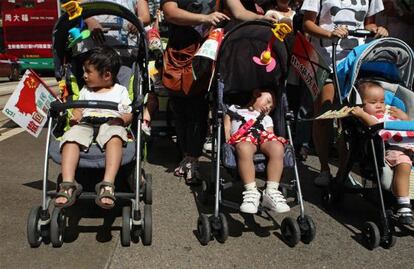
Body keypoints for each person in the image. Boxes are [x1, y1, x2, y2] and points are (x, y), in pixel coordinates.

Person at [301, 0, 388, 186]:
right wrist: (329, 33)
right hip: (326, 57)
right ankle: (324, 168)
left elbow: (368, 23)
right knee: (325, 114)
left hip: (357, 61)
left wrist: (377, 30)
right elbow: (307, 23)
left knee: (351, 117)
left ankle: (344, 169)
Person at [54, 46, 133, 210]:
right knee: (70, 138)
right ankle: (68, 184)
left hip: (111, 122)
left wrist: (122, 120)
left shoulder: (120, 91)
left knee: (115, 138)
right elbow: (78, 109)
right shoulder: (85, 90)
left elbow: (128, 113)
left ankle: (108, 184)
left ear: (106, 75)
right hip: (86, 122)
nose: (84, 75)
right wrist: (76, 114)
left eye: (88, 72)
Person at [351, 81, 413, 224]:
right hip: (392, 149)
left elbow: (409, 126)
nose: (379, 105)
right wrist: (361, 114)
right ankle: (403, 204)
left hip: (407, 145)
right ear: (361, 105)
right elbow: (374, 125)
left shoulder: (390, 112)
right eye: (373, 102)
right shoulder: (371, 118)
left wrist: (404, 118)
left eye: (382, 101)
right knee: (404, 164)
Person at [224, 89, 290, 214]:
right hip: (244, 138)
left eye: (271, 107)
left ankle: (271, 191)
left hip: (263, 137)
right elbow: (227, 123)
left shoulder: (267, 118)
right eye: (268, 101)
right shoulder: (235, 109)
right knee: (244, 148)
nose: (268, 107)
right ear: (256, 94)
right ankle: (251, 192)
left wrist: (277, 139)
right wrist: (227, 136)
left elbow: (270, 134)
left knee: (277, 147)